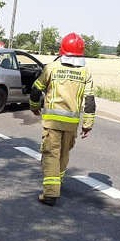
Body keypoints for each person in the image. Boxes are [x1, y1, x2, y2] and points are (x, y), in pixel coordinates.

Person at [29, 32, 96, 206]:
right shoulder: (85, 72)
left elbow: (36, 89)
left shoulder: (51, 68)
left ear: (62, 50)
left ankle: (51, 193)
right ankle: (57, 183)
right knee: (64, 155)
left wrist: (34, 107)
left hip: (52, 122)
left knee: (51, 154)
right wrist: (87, 125)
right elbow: (90, 102)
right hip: (71, 124)